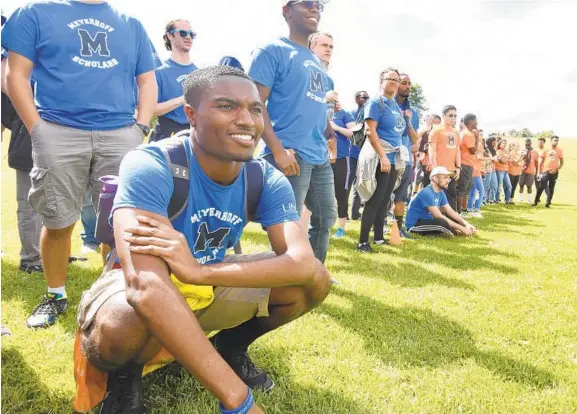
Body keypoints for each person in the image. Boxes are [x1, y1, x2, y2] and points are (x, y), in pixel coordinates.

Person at [73, 66, 331, 414]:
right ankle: (125, 378)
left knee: (314, 280)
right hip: (146, 287)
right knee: (121, 322)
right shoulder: (152, 163)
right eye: (227, 106)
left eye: (255, 109)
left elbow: (302, 262)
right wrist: (238, 401)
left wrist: (199, 272)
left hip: (203, 279)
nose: (246, 120)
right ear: (191, 115)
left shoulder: (264, 177)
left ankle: (230, 348)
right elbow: (144, 285)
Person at [2, 0, 160, 328]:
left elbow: (147, 81)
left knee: (120, 226)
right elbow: (14, 74)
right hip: (58, 131)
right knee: (58, 221)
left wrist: (140, 128)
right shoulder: (34, 12)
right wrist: (38, 129)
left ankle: (112, 297)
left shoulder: (131, 24)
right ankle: (56, 295)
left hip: (120, 133)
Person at [248, 0, 337, 264]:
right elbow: (254, 105)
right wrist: (277, 150)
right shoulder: (273, 50)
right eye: (307, 3)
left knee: (325, 219)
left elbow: (316, 107)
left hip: (319, 156)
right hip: (291, 155)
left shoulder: (316, 64)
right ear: (286, 11)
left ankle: (313, 274)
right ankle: (285, 282)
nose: (315, 9)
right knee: (285, 225)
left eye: (319, 5)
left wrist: (330, 133)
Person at [356, 68, 406, 253]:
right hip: (380, 156)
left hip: (393, 157)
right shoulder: (376, 103)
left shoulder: (395, 106)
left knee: (385, 199)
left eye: (396, 79)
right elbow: (370, 131)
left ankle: (378, 237)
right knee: (374, 199)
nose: (393, 82)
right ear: (381, 81)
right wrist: (383, 156)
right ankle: (362, 242)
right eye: (389, 79)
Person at [2, 48, 43, 274]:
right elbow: (8, 84)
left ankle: (51, 251)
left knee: (55, 201)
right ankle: (30, 258)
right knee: (29, 203)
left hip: (57, 134)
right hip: (27, 137)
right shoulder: (15, 55)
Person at [151, 19, 198, 142]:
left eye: (191, 34)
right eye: (183, 33)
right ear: (170, 35)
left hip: (194, 136)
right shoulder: (159, 73)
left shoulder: (200, 73)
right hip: (166, 137)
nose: (188, 37)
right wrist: (182, 100)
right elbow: (151, 109)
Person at [406, 167, 477, 236]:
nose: (448, 180)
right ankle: (456, 232)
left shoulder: (441, 192)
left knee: (446, 221)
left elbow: (450, 211)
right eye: (445, 177)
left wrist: (466, 224)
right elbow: (438, 216)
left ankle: (459, 231)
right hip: (415, 225)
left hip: (427, 221)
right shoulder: (426, 193)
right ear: (435, 178)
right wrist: (462, 228)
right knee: (442, 222)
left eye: (449, 178)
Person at [392, 73, 419, 237]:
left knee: (401, 196)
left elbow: (415, 139)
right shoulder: (386, 105)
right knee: (381, 195)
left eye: (409, 83)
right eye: (404, 83)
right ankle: (377, 227)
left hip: (406, 159)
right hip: (388, 156)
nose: (407, 86)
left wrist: (408, 121)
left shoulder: (412, 112)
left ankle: (399, 228)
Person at [329, 99, 355, 237]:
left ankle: (341, 228)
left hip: (341, 159)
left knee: (341, 194)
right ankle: (315, 224)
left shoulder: (344, 114)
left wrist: (337, 128)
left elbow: (354, 133)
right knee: (314, 193)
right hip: (320, 158)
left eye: (335, 98)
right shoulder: (318, 109)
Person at [429, 105, 461, 210]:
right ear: (443, 116)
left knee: (451, 199)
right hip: (439, 172)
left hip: (451, 171)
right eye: (450, 115)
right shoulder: (436, 130)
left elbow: (457, 150)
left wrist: (459, 167)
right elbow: (431, 151)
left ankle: (452, 225)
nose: (453, 118)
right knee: (436, 201)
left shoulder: (456, 132)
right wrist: (435, 169)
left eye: (455, 116)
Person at [348, 91, 369, 220]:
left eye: (367, 98)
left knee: (359, 183)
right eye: (363, 97)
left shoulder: (369, 114)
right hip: (352, 153)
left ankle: (355, 213)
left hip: (364, 154)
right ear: (356, 99)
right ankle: (343, 213)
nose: (366, 100)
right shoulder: (351, 114)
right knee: (348, 183)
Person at [534, 135, 564, 208]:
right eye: (555, 140)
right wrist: (538, 172)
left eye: (557, 141)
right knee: (541, 187)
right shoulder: (546, 150)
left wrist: (557, 169)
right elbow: (540, 161)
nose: (556, 142)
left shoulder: (559, 151)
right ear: (551, 141)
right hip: (545, 172)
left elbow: (562, 162)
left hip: (554, 172)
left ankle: (548, 203)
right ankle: (535, 202)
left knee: (551, 188)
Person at [414, 113, 441, 192]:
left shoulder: (440, 134)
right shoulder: (425, 132)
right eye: (434, 122)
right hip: (424, 161)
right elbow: (421, 148)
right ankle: (414, 194)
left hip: (435, 163)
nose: (436, 124)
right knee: (420, 180)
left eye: (438, 122)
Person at [518, 138, 539, 203]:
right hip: (522, 170)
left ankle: (529, 199)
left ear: (531, 143)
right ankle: (520, 198)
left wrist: (537, 172)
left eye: (528, 143)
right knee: (521, 184)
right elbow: (518, 160)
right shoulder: (521, 151)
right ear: (524, 144)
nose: (527, 144)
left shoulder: (535, 152)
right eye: (526, 143)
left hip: (530, 171)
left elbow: (536, 163)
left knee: (529, 185)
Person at [494, 139, 513, 204]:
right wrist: (506, 160)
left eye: (505, 143)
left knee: (509, 186)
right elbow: (502, 161)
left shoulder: (507, 151)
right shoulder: (498, 151)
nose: (504, 144)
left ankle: (507, 200)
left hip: (505, 171)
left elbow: (511, 160)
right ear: (499, 144)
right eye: (503, 143)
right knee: (499, 185)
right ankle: (496, 200)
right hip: (499, 170)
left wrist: (505, 159)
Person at [483, 136, 498, 203]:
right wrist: (492, 159)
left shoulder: (493, 150)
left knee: (494, 185)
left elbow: (495, 159)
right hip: (487, 169)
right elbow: (484, 160)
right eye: (494, 141)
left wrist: (494, 159)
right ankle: (483, 199)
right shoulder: (486, 150)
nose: (495, 143)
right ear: (490, 142)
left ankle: (490, 199)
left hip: (493, 169)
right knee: (486, 186)